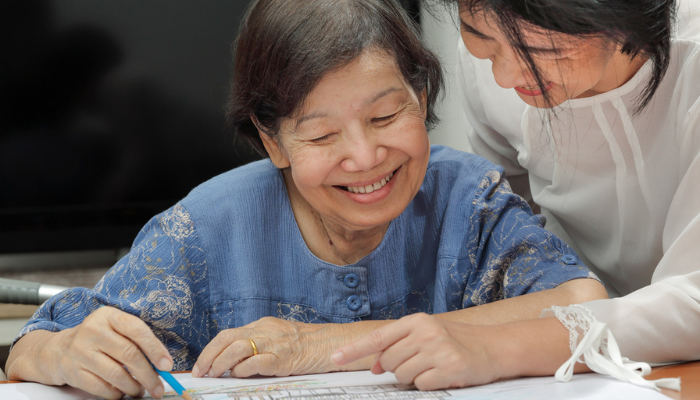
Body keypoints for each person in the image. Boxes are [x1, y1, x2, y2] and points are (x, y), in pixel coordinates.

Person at [4, 0, 606, 399]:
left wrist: (326, 345)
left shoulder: (468, 200)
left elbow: (583, 303)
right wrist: (56, 355)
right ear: (272, 140)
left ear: (421, 99)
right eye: (321, 136)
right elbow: (40, 344)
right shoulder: (203, 230)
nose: (366, 157)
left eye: (387, 114)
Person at [332, 0, 700, 392]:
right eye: (481, 38)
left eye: (543, 51)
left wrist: (497, 348)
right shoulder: (493, 70)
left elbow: (693, 297)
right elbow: (506, 234)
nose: (505, 75)